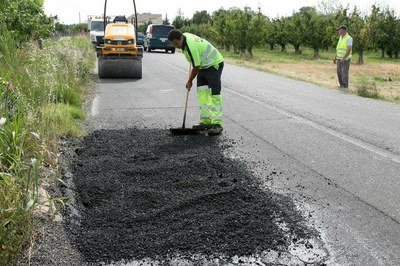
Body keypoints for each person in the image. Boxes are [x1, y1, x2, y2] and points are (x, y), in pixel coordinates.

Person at [167, 29, 224, 135]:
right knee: (202, 93)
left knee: (214, 94)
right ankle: (206, 122)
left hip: (214, 64)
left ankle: (217, 124)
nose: (176, 46)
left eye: (177, 43)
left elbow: (196, 67)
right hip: (203, 65)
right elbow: (196, 63)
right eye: (173, 44)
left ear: (181, 38)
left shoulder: (191, 46)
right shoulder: (184, 38)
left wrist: (189, 81)